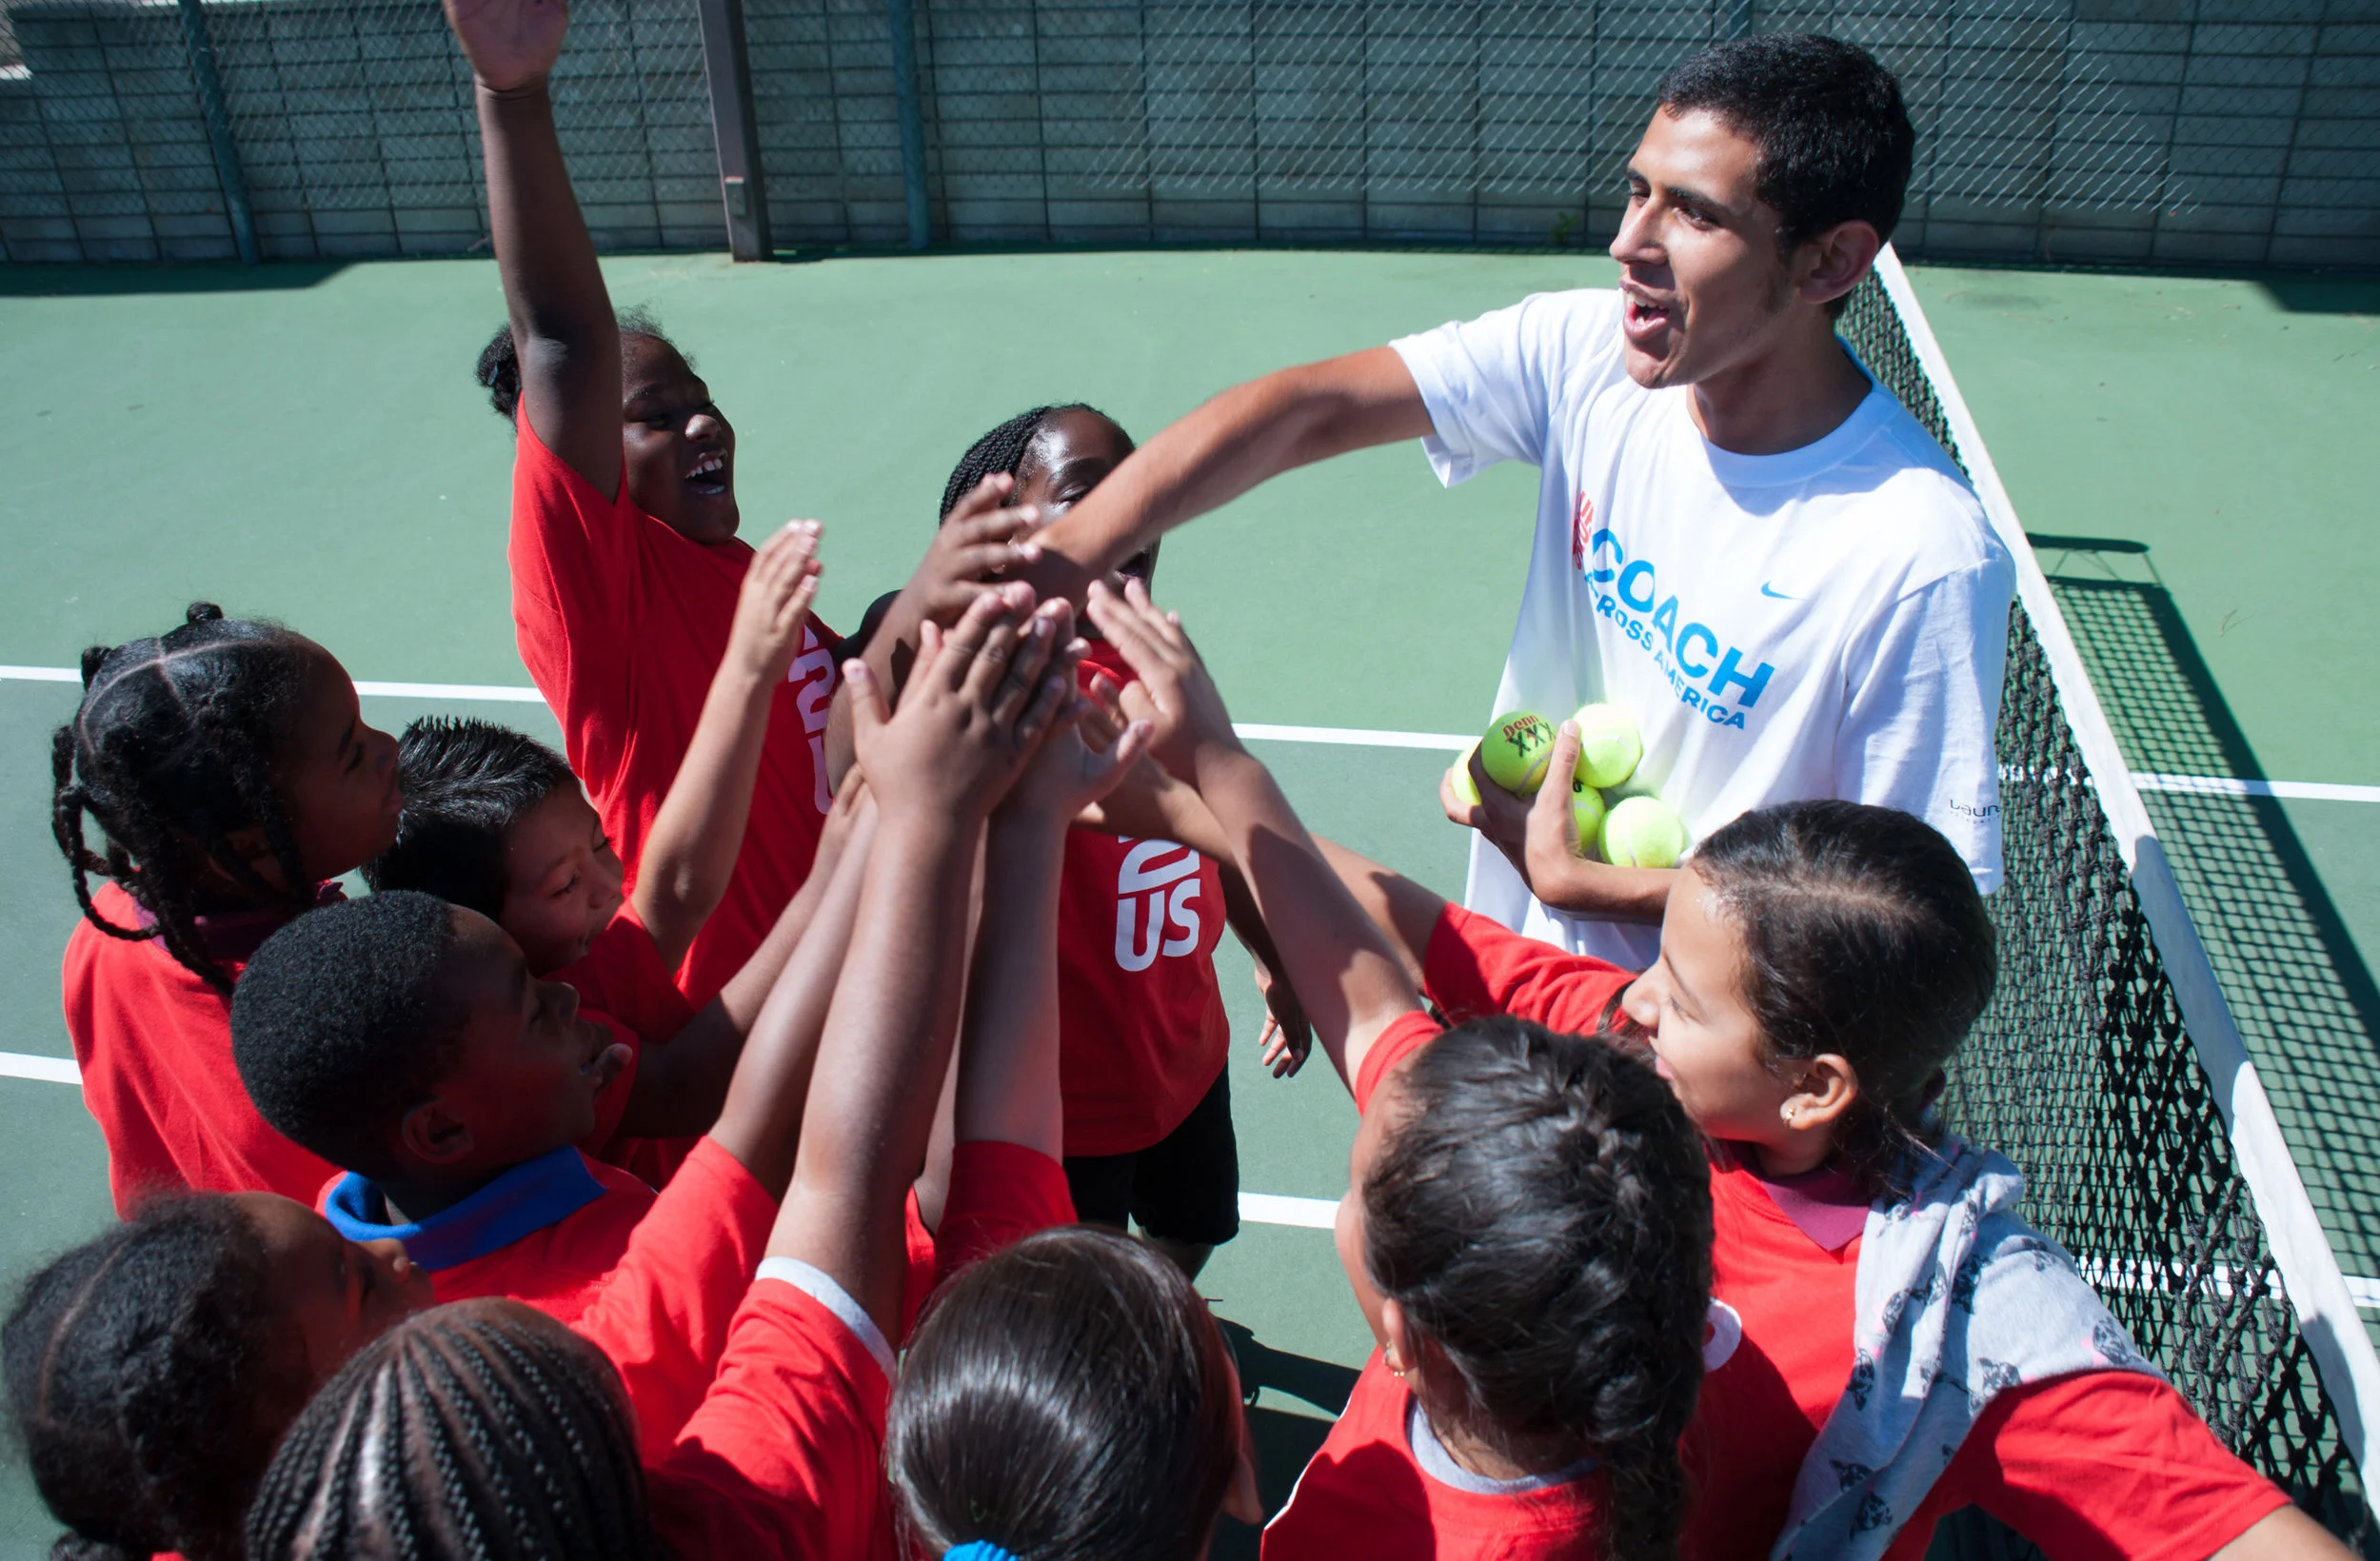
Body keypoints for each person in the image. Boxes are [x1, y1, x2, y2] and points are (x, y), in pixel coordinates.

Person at [1025, 31, 2013, 970]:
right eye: (1637, 191)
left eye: (1695, 213)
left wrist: (1597, 885)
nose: (1630, 241)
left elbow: (1907, 922)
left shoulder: (1915, 551)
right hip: (1512, 973)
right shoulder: (1583, 354)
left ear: (1831, 262)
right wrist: (1041, 578)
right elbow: (1302, 410)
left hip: (1710, 1080)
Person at [241, 583, 1101, 1561]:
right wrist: (949, 828)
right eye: (534, 1002)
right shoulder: (597, 1335)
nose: (570, 1000)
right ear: (438, 1129)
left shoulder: (369, 1210)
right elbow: (835, 1168)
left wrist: (893, 812)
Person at [1316, 800, 2349, 1560]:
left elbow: (2236, 1532)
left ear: (1810, 1086)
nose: (1626, 1003)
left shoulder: (1963, 1320)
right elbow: (1404, 919)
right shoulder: (1640, 1076)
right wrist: (1195, 796)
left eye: (1675, 993)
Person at [1089, 579, 1713, 1560]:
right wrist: (1200, 785)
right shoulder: (1526, 1240)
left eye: (1359, 1189)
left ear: (1400, 1330)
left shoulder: (1365, 1534)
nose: (1639, 1002)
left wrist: (1213, 772)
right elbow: (1376, 1001)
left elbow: (1379, 1001)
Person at [844, 403, 1308, 1278]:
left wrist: (1275, 960)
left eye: (1139, 492)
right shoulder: (978, 688)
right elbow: (849, 767)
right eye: (1090, 495)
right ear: (1007, 527)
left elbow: (1219, 823)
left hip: (1185, 1061)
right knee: (1077, 1297)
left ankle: (1165, 1304)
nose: (1128, 515)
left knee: (1192, 1232)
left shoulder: (1159, 653)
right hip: (1063, 1109)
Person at [460, 0, 847, 1006]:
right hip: (726, 1031)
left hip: (832, 995)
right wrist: (513, 95)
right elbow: (563, 342)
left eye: (700, 403)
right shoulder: (601, 592)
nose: (701, 427)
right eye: (654, 418)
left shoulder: (733, 569)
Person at [52, 603, 402, 1213]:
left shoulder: (104, 932)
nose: (389, 747)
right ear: (250, 844)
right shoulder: (352, 999)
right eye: (352, 753)